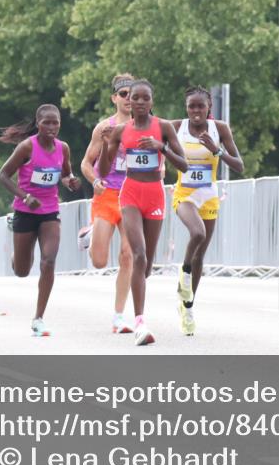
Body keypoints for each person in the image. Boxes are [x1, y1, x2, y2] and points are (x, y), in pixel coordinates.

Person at [99, 79, 187, 345]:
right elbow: (103, 172)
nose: (138, 102)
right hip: (130, 194)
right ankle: (140, 322)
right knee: (137, 254)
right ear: (129, 101)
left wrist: (161, 148)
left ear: (151, 102)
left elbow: (183, 165)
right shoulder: (120, 131)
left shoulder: (164, 127)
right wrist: (105, 146)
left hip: (155, 195)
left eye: (144, 98)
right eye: (134, 98)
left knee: (146, 263)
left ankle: (140, 290)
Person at [0, 104, 81, 336]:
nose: (52, 127)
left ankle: (39, 318)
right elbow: (2, 175)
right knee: (22, 270)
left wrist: (71, 181)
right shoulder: (27, 147)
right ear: (38, 123)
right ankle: (17, 248)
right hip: (25, 211)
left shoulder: (63, 148)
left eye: (56, 123)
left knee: (48, 262)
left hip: (49, 211)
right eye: (47, 123)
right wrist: (25, 196)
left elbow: (65, 174)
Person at [170, 85, 244, 335]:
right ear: (186, 107)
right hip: (185, 194)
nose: (196, 111)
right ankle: (184, 273)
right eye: (191, 106)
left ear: (209, 106)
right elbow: (146, 126)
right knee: (197, 233)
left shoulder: (219, 129)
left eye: (200, 106)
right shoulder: (176, 127)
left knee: (200, 255)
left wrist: (217, 150)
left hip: (209, 197)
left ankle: (187, 307)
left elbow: (239, 166)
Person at [78, 74, 135, 334]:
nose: (128, 99)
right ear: (114, 98)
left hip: (132, 196)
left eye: (132, 94)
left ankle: (119, 316)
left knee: (127, 254)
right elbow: (86, 163)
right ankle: (90, 233)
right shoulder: (104, 127)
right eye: (123, 94)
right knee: (100, 261)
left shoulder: (145, 126)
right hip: (107, 195)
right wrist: (94, 180)